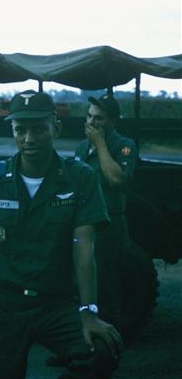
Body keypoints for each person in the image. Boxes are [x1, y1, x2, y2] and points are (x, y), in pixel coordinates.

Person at [0, 90, 123, 379]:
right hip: (1, 304)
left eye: (39, 128)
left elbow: (83, 249)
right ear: (12, 131)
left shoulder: (78, 178)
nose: (29, 138)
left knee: (102, 351)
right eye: (20, 129)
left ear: (55, 128)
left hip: (53, 303)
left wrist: (88, 312)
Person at [74, 94, 138, 329]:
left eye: (99, 118)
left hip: (110, 226)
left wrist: (100, 143)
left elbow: (117, 180)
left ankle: (106, 352)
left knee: (107, 286)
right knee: (79, 286)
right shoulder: (82, 148)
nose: (91, 123)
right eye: (89, 116)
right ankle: (77, 347)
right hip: (84, 225)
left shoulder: (124, 146)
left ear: (112, 121)